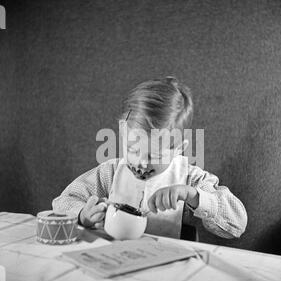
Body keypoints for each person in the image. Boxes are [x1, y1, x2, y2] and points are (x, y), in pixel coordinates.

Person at [52, 76, 247, 240]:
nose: (141, 162)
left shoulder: (190, 179)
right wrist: (82, 215)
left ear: (179, 149)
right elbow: (63, 201)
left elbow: (237, 224)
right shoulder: (110, 173)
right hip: (112, 261)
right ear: (122, 135)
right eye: (133, 150)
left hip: (166, 269)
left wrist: (193, 196)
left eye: (155, 155)